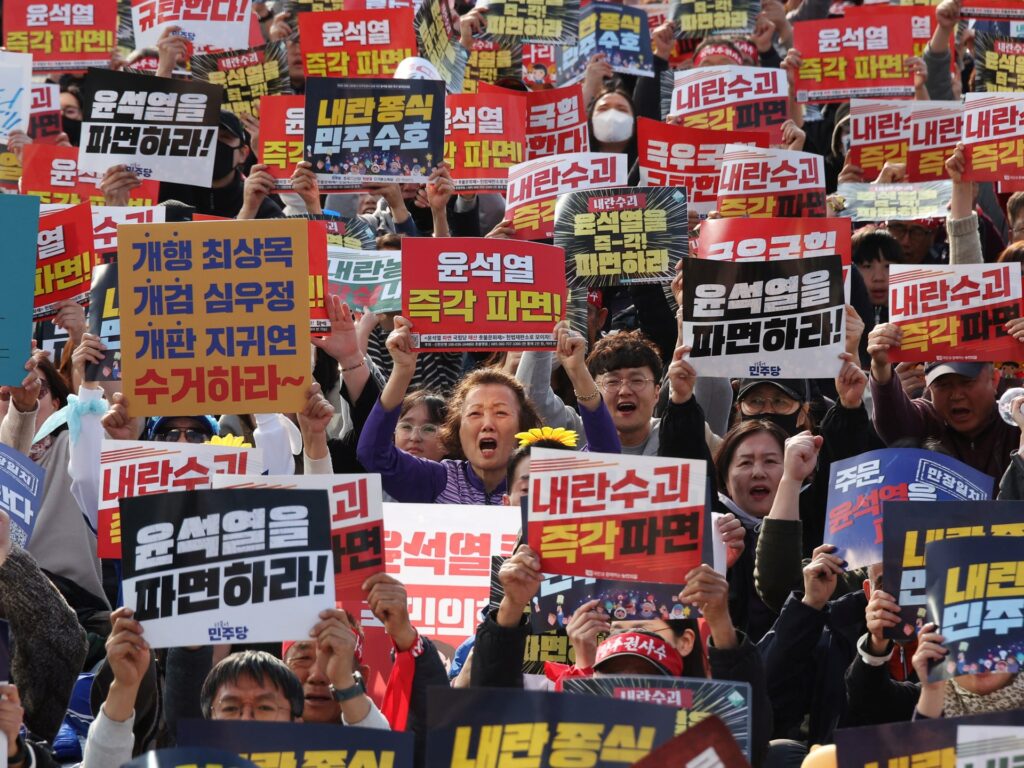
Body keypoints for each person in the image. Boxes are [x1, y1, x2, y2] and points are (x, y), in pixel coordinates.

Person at [470, 544, 773, 767]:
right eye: (614, 675)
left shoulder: (701, 743)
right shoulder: (565, 740)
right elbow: (493, 719)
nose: (630, 688)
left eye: (646, 677)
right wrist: (512, 604)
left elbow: (748, 735)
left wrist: (719, 620)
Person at [358, 320, 620, 503]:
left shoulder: (542, 481)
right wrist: (402, 371)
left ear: (522, 426)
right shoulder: (437, 479)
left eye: (501, 413)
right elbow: (373, 453)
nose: (487, 424)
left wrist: (577, 370)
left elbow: (606, 459)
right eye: (474, 414)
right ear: (457, 429)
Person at [866, 326, 1019, 484]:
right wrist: (880, 366)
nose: (956, 395)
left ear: (994, 380)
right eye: (943, 385)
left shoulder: (1016, 420)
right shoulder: (928, 421)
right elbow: (893, 420)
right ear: (929, 387)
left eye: (966, 382)